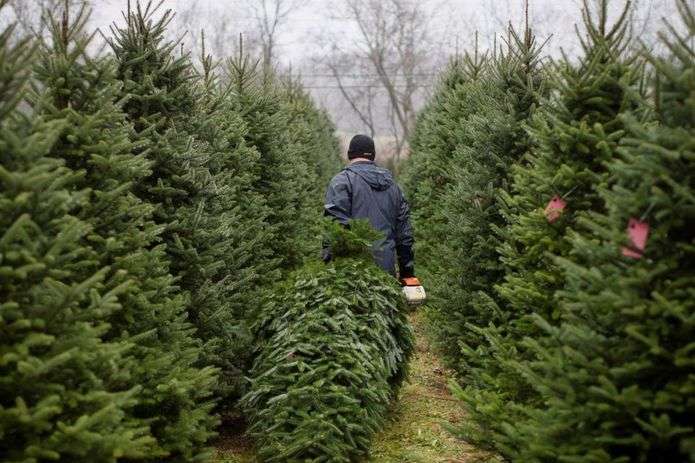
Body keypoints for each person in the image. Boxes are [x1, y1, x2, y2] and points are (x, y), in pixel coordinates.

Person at [323, 134, 415, 278]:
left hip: (350, 277)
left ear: (349, 155)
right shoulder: (394, 187)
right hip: (386, 276)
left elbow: (335, 228)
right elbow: (404, 236)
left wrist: (327, 269)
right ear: (373, 156)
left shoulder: (342, 181)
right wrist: (407, 274)